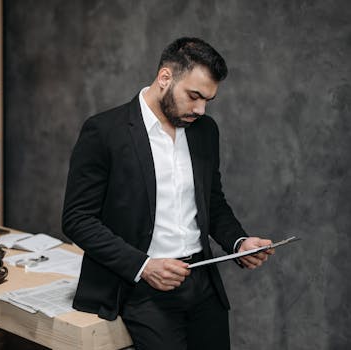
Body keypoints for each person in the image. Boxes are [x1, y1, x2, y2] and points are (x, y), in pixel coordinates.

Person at [62, 37, 274, 349]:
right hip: (142, 289)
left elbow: (212, 203)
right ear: (165, 78)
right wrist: (143, 266)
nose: (200, 109)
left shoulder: (205, 131)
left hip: (203, 284)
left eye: (207, 101)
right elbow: (77, 219)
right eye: (194, 96)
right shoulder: (104, 131)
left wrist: (239, 242)